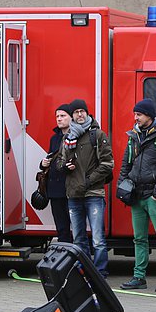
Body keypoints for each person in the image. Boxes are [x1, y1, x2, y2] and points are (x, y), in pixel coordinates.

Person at [118, 98, 156, 292]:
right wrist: (122, 186)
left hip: (154, 196)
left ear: (149, 116)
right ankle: (138, 277)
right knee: (139, 239)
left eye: (139, 114)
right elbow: (125, 164)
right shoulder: (134, 136)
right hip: (137, 195)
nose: (135, 118)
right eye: (135, 114)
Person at [60, 98, 114, 277]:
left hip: (93, 193)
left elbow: (108, 164)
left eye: (82, 111)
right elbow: (59, 162)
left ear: (87, 113)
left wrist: (89, 181)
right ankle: (83, 271)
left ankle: (100, 272)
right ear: (73, 116)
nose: (80, 114)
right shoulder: (68, 137)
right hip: (73, 195)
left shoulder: (97, 135)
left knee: (98, 239)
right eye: (76, 112)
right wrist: (65, 166)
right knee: (79, 239)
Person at [42, 104, 73, 243]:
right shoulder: (54, 138)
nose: (59, 119)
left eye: (63, 116)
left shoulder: (78, 136)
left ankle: (78, 261)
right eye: (57, 116)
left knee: (78, 229)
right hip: (55, 189)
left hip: (71, 188)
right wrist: (43, 163)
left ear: (71, 118)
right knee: (61, 229)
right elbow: (50, 157)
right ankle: (64, 261)